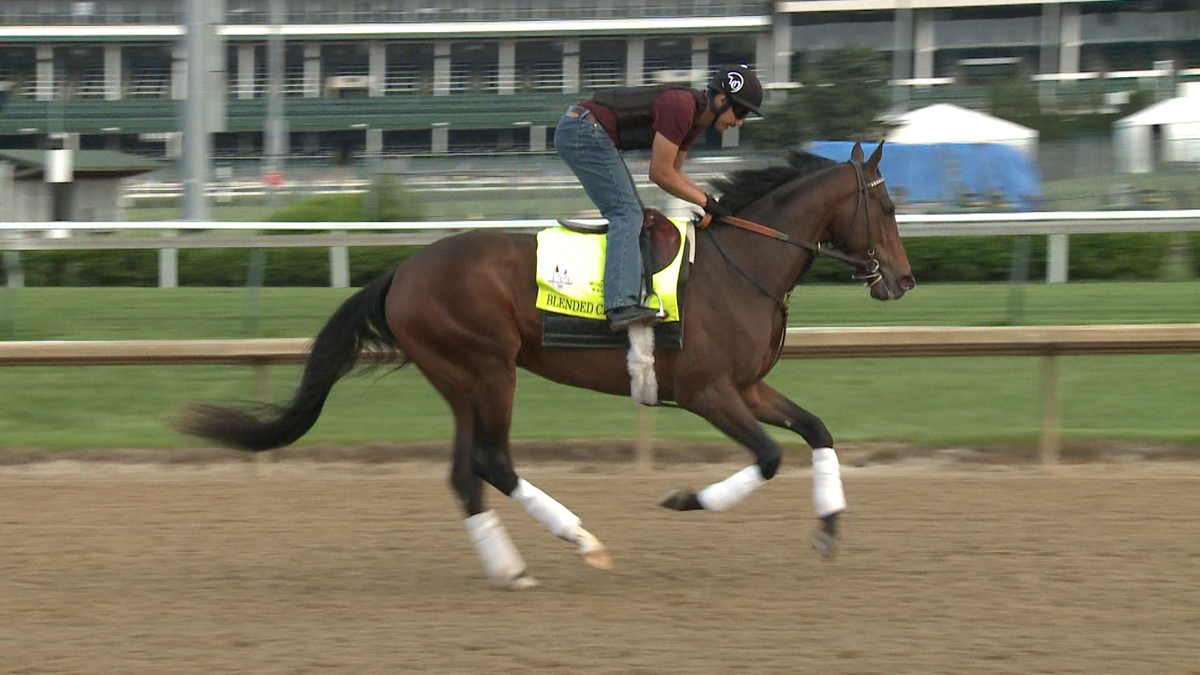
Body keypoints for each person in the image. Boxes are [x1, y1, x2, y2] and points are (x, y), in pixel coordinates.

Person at [554, 64, 764, 331]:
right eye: (741, 111)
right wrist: (703, 201)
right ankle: (620, 305)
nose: (740, 122)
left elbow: (675, 171)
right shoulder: (681, 107)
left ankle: (629, 297)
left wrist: (710, 203)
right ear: (722, 100)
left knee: (634, 216)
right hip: (582, 129)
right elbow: (660, 173)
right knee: (626, 214)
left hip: (589, 130)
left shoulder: (696, 120)